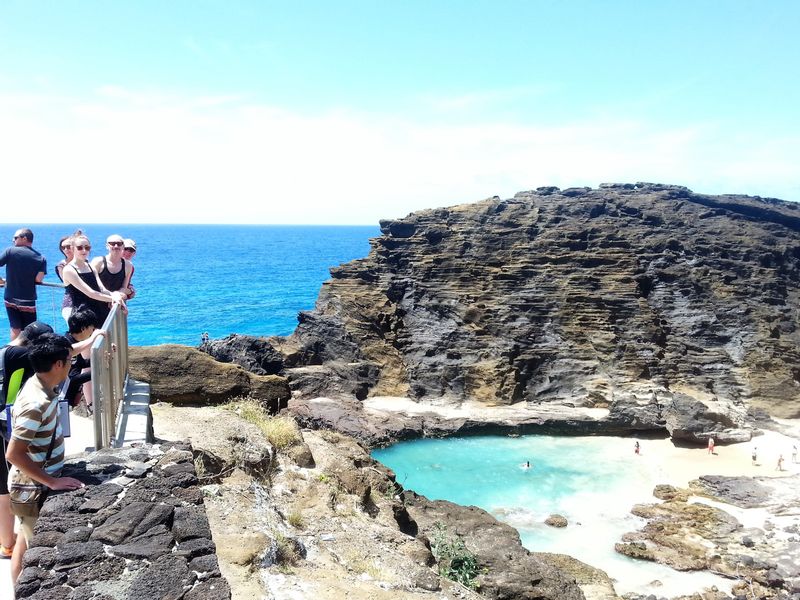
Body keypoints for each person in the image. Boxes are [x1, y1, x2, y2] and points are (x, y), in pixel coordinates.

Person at [6, 333, 84, 583]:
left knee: (24, 542)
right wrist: (51, 481)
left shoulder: (42, 383)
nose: (72, 364)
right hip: (31, 486)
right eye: (70, 360)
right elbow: (13, 453)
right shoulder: (35, 403)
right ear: (58, 365)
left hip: (37, 481)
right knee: (31, 547)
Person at [0, 321, 54, 559]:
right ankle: (7, 543)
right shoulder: (16, 353)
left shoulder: (6, 351)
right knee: (3, 487)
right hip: (1, 427)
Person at [62, 234, 126, 327]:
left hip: (97, 310)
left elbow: (101, 289)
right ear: (72, 248)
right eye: (80, 248)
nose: (84, 250)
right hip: (81, 313)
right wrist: (113, 299)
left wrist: (115, 295)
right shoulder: (69, 270)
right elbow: (90, 293)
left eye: (87, 247)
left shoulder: (90, 266)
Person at [0, 228, 47, 340]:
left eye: (15, 238)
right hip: (27, 299)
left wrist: (1, 280)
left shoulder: (10, 251)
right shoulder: (41, 258)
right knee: (29, 330)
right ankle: (27, 354)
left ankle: (14, 353)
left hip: (10, 297)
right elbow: (39, 279)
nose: (13, 240)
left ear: (24, 238)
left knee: (15, 328)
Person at [63, 308, 105, 409]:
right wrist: (98, 372)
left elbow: (80, 364)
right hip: (64, 398)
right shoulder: (67, 345)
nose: (93, 331)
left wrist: (103, 359)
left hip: (71, 395)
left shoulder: (74, 340)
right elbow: (73, 379)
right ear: (83, 328)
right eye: (92, 328)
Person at [91, 234, 133, 309]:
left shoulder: (128, 265)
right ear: (107, 246)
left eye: (119, 244)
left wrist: (118, 294)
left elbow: (123, 287)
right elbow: (99, 287)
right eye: (112, 244)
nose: (116, 246)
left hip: (115, 306)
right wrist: (113, 296)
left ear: (123, 246)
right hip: (95, 305)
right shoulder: (98, 262)